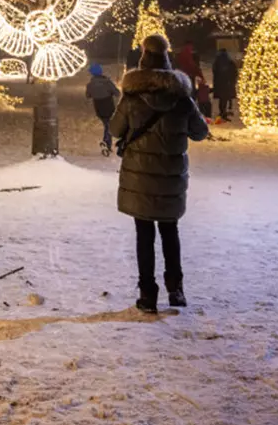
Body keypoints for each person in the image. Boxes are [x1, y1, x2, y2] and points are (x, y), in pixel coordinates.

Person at [111, 35, 209, 314]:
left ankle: (148, 295)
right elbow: (200, 132)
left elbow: (116, 130)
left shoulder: (131, 97)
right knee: (169, 232)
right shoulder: (181, 98)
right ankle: (176, 290)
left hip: (139, 179)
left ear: (143, 58)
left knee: (144, 235)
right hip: (171, 179)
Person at [85, 63, 120, 156]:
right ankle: (106, 142)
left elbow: (88, 96)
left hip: (98, 108)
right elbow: (117, 93)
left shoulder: (90, 85)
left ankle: (107, 144)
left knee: (107, 125)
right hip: (109, 106)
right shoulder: (107, 82)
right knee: (109, 125)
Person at [212, 49, 240, 122]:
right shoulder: (229, 62)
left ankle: (222, 112)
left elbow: (214, 72)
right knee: (226, 98)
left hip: (220, 84)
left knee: (222, 99)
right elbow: (234, 72)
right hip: (228, 83)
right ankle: (224, 112)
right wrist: (233, 80)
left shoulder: (217, 62)